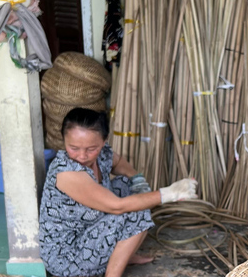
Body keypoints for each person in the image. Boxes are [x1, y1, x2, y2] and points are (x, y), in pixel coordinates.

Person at [39, 108, 198, 277]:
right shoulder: (67, 172)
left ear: (104, 141)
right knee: (137, 212)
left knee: (126, 184)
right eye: (73, 148)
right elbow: (117, 207)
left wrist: (137, 178)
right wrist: (169, 193)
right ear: (63, 140)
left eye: (91, 148)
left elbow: (118, 162)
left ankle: (122, 255)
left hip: (88, 231)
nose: (82, 156)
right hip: (67, 257)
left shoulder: (102, 154)